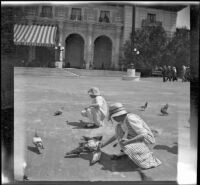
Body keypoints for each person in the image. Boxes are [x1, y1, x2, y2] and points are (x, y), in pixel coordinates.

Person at [101, 103, 162, 169]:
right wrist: (103, 145)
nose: (114, 119)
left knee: (127, 146)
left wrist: (128, 142)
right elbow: (116, 136)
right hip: (136, 137)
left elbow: (144, 134)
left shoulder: (131, 119)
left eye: (114, 117)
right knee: (118, 129)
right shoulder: (122, 121)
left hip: (146, 140)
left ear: (119, 115)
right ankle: (130, 151)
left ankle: (147, 158)